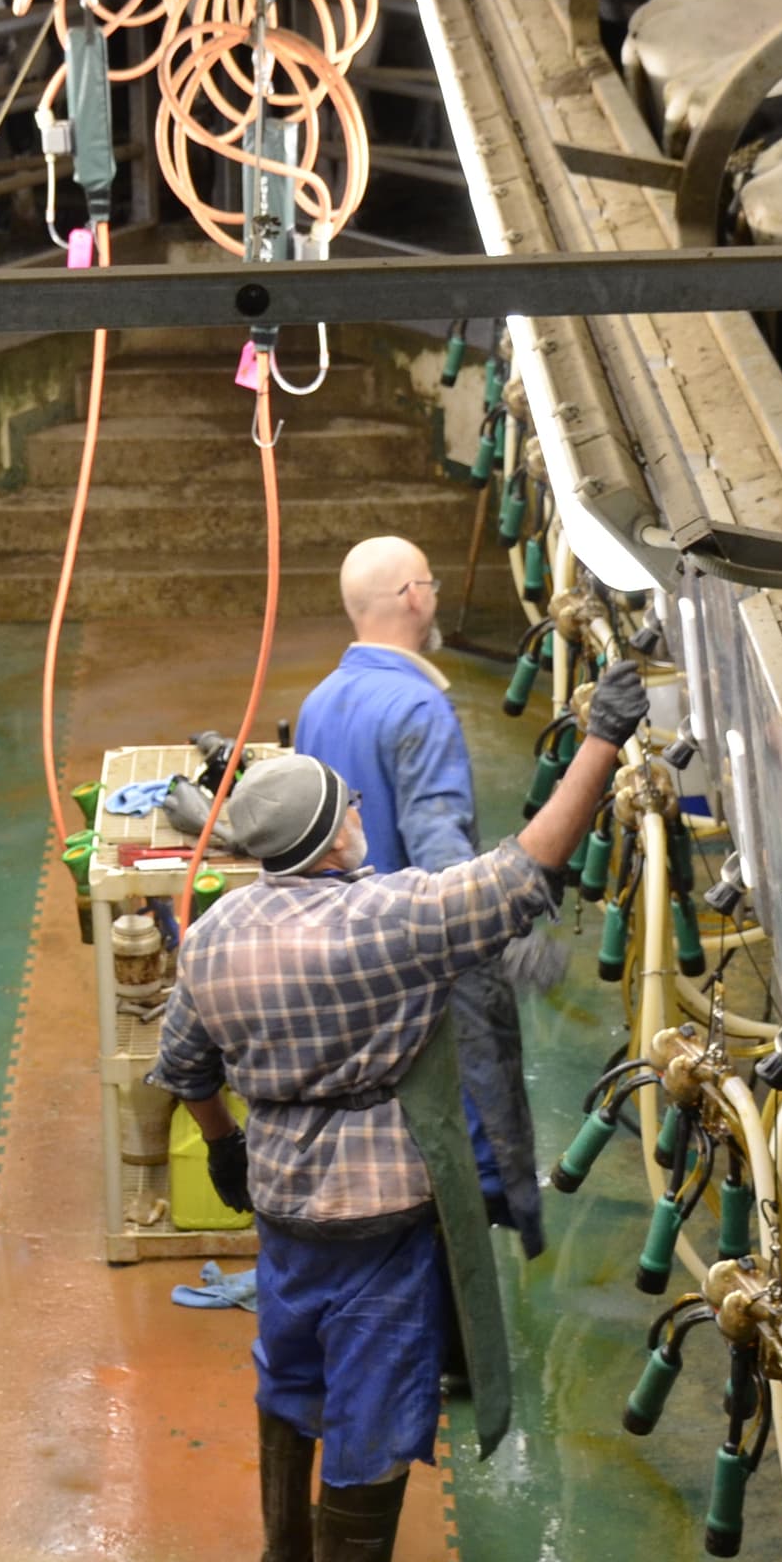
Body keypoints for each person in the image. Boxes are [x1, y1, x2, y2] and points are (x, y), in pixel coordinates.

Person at [150, 659, 648, 1562]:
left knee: (290, 1364)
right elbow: (525, 870)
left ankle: (284, 1554)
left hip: (283, 1198)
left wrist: (226, 1144)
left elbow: (184, 1066)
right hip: (380, 1207)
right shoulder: (392, 920)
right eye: (347, 807)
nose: (358, 814)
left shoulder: (215, 933)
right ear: (333, 836)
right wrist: (601, 739)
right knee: (376, 1390)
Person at [289, 535, 550, 1257]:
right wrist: (507, 935)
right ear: (413, 597)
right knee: (466, 1141)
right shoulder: (418, 709)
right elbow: (440, 854)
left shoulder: (319, 703)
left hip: (346, 968)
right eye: (429, 583)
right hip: (426, 972)